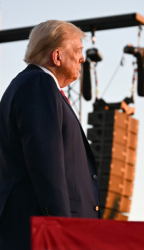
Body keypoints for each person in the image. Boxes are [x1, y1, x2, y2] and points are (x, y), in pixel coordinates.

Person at [0, 20, 99, 249]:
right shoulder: (38, 83)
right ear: (57, 57)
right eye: (77, 51)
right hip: (43, 233)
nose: (82, 59)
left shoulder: (27, 84)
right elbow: (47, 164)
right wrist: (60, 226)